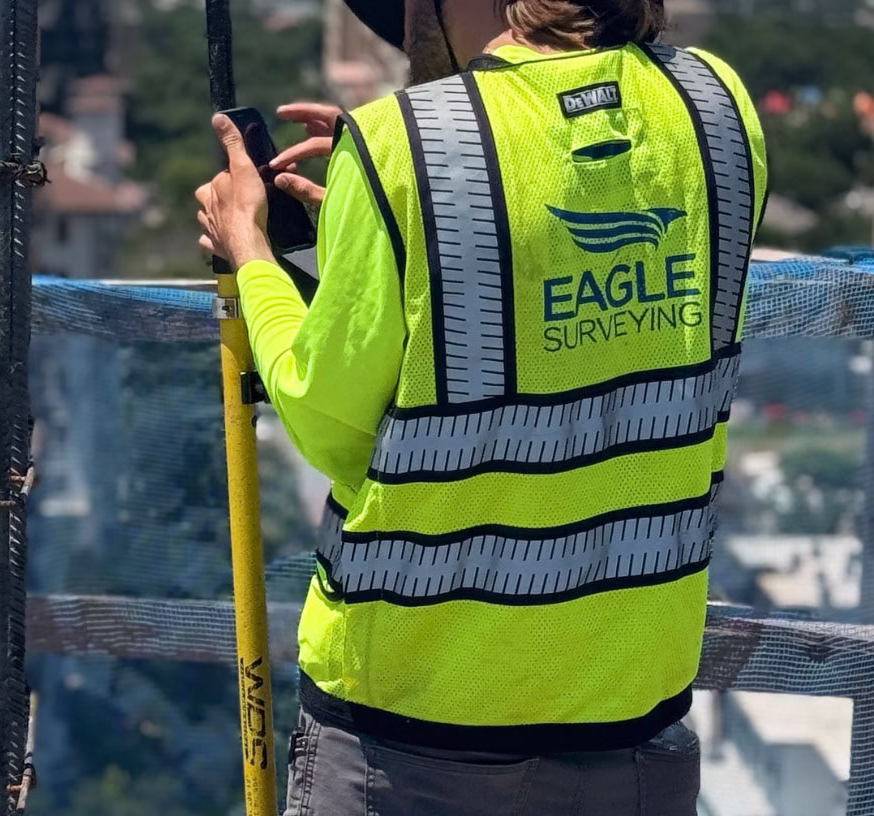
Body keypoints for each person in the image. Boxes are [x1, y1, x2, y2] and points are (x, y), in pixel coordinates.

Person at [193, 0, 768, 813]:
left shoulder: (400, 143)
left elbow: (331, 423)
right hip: (633, 717)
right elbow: (591, 278)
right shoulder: (719, 104)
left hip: (415, 732)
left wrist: (252, 252)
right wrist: (399, 218)